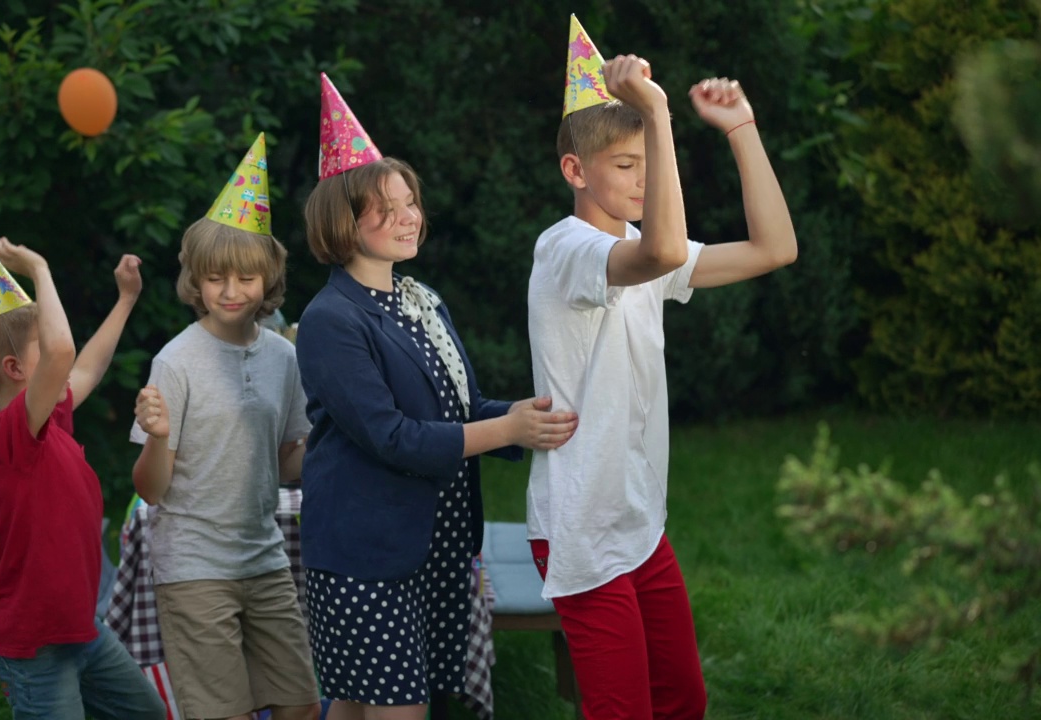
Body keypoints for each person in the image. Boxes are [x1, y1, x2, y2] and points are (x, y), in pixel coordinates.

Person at [525, 16, 799, 720]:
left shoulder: (649, 250)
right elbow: (664, 253)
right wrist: (657, 111)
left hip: (638, 519)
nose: (644, 180)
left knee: (683, 700)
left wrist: (741, 130)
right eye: (626, 165)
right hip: (581, 525)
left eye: (650, 162)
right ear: (574, 171)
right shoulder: (566, 250)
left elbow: (775, 249)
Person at [295, 73, 580, 720]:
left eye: (411, 202)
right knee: (393, 708)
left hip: (435, 543)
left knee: (353, 704)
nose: (407, 218)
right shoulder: (331, 320)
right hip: (367, 554)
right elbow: (392, 437)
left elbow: (460, 409)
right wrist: (507, 433)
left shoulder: (419, 301)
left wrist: (522, 415)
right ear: (342, 220)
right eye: (385, 208)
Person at [130, 134, 322, 720]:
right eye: (216, 279)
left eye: (245, 278)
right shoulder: (175, 361)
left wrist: (334, 442)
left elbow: (288, 463)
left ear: (268, 279)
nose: (231, 292)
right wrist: (160, 436)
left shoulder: (284, 358)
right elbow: (150, 489)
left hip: (263, 557)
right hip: (192, 565)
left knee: (301, 704)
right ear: (196, 281)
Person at [0, 221, 164, 720]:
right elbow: (64, 352)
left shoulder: (48, 418)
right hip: (35, 649)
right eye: (41, 353)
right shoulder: (8, 437)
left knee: (147, 714)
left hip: (81, 630)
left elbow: (84, 367)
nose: (55, 361)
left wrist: (126, 301)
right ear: (15, 370)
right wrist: (39, 269)